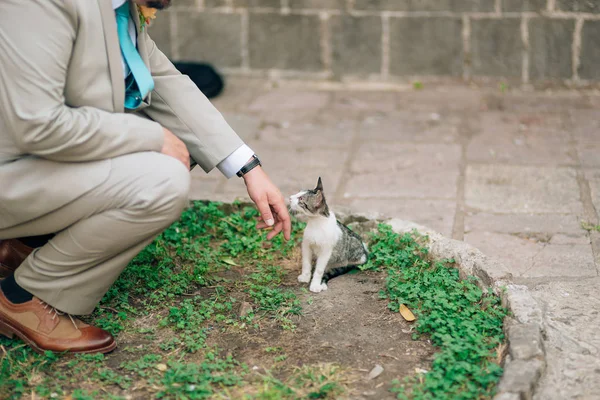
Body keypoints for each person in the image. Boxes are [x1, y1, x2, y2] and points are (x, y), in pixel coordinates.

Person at [0, 0, 291, 354]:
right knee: (161, 175)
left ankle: (26, 242)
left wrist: (249, 168)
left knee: (176, 142)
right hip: (11, 169)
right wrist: (152, 139)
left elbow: (164, 81)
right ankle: (23, 296)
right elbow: (37, 124)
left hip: (28, 165)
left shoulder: (119, 6)